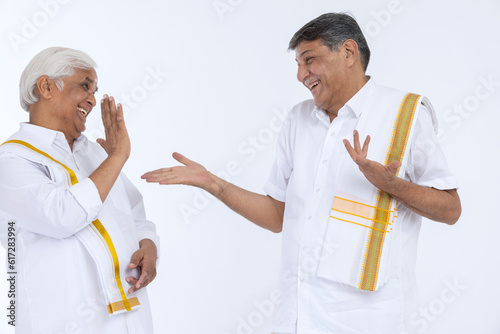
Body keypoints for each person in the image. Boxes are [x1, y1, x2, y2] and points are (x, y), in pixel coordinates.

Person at [142, 13, 461, 334]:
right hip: (299, 317)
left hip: (371, 321)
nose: (300, 75)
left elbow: (450, 209)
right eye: (297, 64)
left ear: (348, 53)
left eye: (309, 60)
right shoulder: (298, 119)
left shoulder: (403, 114)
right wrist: (213, 183)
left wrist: (392, 185)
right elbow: (277, 215)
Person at [0, 47, 159, 334]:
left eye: (96, 90)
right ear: (46, 86)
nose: (92, 99)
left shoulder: (94, 155)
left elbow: (133, 210)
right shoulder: (10, 160)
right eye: (85, 86)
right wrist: (117, 157)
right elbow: (61, 216)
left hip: (131, 321)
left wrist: (148, 243)